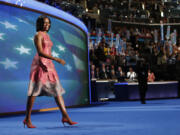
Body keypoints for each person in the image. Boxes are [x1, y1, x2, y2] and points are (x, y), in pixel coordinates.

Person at [23, 15, 78, 128]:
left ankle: (65, 116)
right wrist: (56, 59)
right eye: (44, 23)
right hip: (40, 64)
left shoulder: (47, 35)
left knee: (57, 91)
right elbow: (40, 52)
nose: (47, 25)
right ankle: (27, 119)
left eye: (48, 23)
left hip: (49, 64)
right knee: (34, 92)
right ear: (39, 24)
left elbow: (47, 51)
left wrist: (52, 61)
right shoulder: (38, 35)